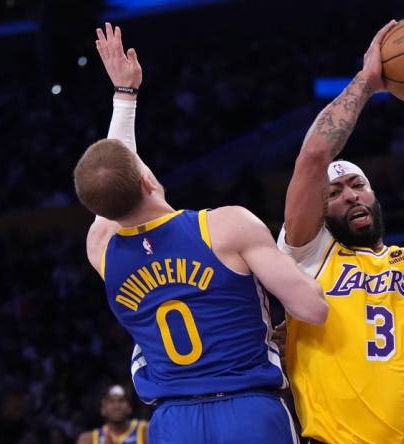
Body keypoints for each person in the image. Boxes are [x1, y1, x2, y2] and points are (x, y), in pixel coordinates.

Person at [76, 23, 327, 443]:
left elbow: (112, 173)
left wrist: (125, 97)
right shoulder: (225, 226)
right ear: (146, 183)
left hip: (172, 422)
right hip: (248, 408)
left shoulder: (101, 247)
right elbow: (312, 309)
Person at [275, 20, 404, 443]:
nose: (350, 196)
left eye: (358, 185)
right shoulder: (306, 257)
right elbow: (314, 155)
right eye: (334, 193)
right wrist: (366, 82)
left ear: (373, 193)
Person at [77, 385, 148, 444]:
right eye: (111, 401)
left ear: (129, 408)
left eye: (121, 400)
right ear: (103, 409)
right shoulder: (88, 440)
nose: (116, 406)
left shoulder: (145, 430)